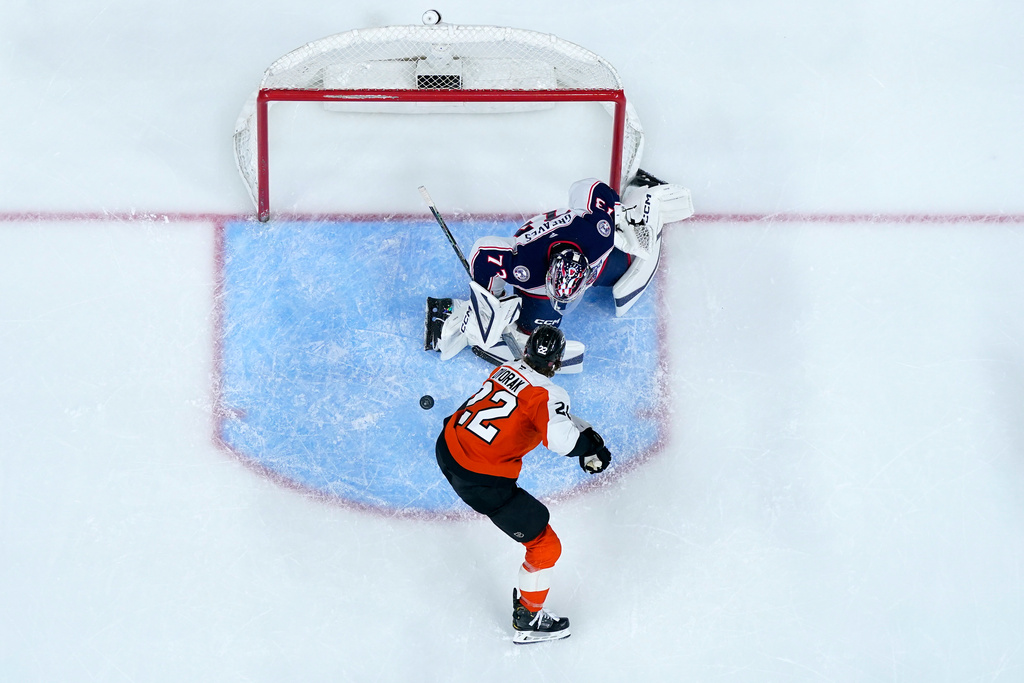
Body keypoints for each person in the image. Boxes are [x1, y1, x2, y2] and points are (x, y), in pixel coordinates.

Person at [434, 325, 612, 644]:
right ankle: (528, 621)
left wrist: (586, 436)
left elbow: (539, 409)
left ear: (526, 351)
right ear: (558, 363)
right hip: (479, 480)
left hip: (447, 446)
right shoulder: (549, 395)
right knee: (545, 546)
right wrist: (591, 446)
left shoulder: (505, 369)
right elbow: (562, 441)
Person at [424, 170, 693, 373]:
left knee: (624, 267)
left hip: (589, 262)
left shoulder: (598, 236)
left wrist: (619, 214)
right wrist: (488, 298)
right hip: (538, 279)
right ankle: (460, 318)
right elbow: (484, 253)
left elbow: (590, 187)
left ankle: (641, 198)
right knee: (533, 330)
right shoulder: (525, 268)